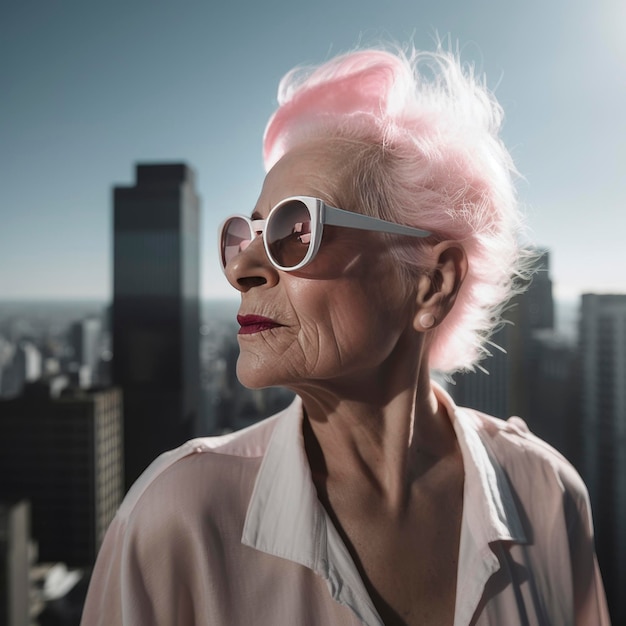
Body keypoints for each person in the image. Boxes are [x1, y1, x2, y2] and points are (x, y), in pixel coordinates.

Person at [81, 45, 610, 625]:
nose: (241, 268)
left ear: (433, 282)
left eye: (295, 229)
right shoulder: (177, 517)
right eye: (245, 233)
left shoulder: (548, 496)